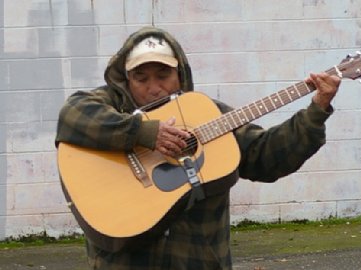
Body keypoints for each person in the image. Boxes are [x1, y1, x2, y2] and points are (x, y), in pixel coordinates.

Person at [55, 26, 341, 270]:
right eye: (141, 78)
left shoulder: (210, 115)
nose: (153, 87)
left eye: (163, 75)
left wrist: (316, 110)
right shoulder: (112, 105)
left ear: (180, 74)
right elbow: (73, 113)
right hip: (124, 261)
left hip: (196, 260)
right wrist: (143, 132)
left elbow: (267, 157)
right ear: (126, 80)